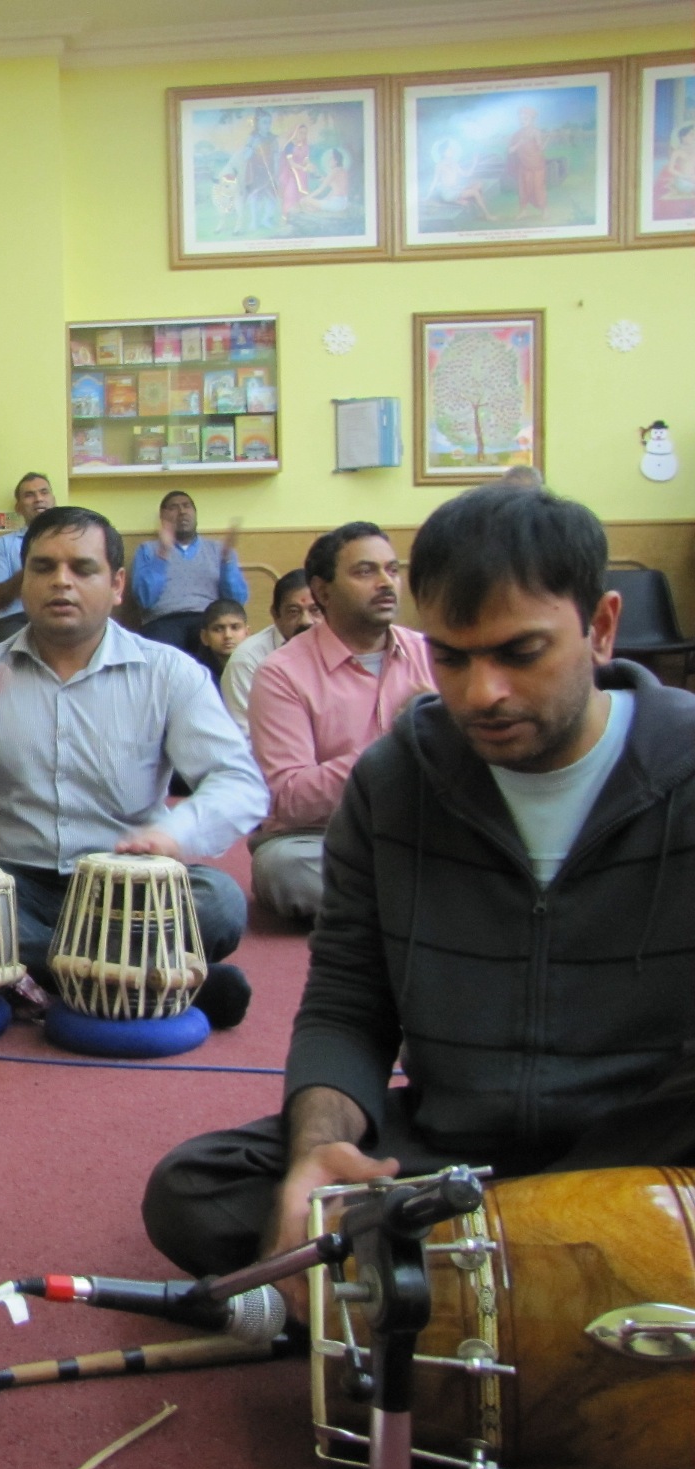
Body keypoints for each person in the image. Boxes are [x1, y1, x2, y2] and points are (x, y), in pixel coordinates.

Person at [143, 483, 695, 1295]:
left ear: (602, 627)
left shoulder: (684, 765)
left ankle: (466, 1273)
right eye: (453, 655)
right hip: (457, 1144)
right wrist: (318, 1149)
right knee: (196, 1192)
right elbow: (346, 1001)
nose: (479, 695)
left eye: (520, 653)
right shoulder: (396, 777)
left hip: (643, 1150)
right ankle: (546, 1266)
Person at [0, 507, 269, 1027]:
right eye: (43, 567)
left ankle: (34, 974)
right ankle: (137, 976)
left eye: (82, 568)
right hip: (13, 889)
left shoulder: (167, 672)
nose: (61, 581)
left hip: (128, 890)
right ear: (24, 580)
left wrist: (173, 834)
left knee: (219, 904)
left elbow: (240, 783)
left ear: (117, 584)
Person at [245, 522, 434, 925]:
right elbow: (289, 799)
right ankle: (431, 900)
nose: (386, 583)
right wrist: (395, 745)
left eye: (392, 570)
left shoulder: (430, 655)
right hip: (323, 838)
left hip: (421, 828)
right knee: (282, 870)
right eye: (366, 571)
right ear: (323, 590)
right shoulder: (282, 673)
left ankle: (393, 901)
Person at [129, 491, 249, 655]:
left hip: (207, 620)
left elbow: (237, 601)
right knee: (161, 658)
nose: (182, 511)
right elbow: (145, 599)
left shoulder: (219, 550)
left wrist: (226, 561)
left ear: (195, 514)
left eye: (187, 506)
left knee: (213, 646)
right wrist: (162, 554)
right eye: (174, 507)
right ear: (163, 517)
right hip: (163, 621)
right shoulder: (148, 550)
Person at [221, 569, 318, 732]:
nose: (306, 621)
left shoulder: (346, 646)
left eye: (315, 610)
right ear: (275, 615)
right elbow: (244, 735)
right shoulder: (248, 660)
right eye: (294, 612)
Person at [0, 472, 55, 643]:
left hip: (57, 615)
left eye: (44, 492)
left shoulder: (70, 540)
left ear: (53, 499)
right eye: (29, 495)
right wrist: (33, 567)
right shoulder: (3, 545)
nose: (38, 499)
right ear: (19, 507)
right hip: (15, 619)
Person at [194, 598, 248, 686]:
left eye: (235, 627)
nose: (228, 635)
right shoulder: (195, 674)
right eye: (218, 629)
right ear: (204, 637)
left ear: (247, 633)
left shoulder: (260, 667)